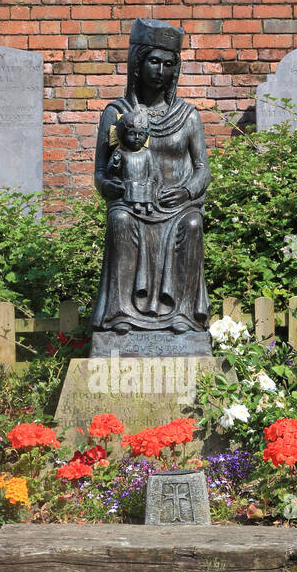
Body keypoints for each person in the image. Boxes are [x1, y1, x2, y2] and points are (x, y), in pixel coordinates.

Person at [90, 18, 211, 352]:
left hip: (176, 208)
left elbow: (202, 169)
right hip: (131, 206)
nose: (160, 69)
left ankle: (183, 314)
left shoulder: (187, 116)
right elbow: (100, 171)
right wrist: (109, 188)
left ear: (176, 69)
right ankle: (120, 314)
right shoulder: (117, 114)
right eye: (153, 61)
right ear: (138, 63)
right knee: (119, 220)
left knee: (192, 222)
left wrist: (187, 192)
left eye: (169, 63)